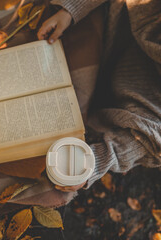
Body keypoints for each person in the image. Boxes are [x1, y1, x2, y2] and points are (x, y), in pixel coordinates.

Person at [37, 0, 161, 192]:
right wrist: (71, 10)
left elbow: (155, 142)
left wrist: (95, 162)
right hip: (117, 23)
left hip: (143, 103)